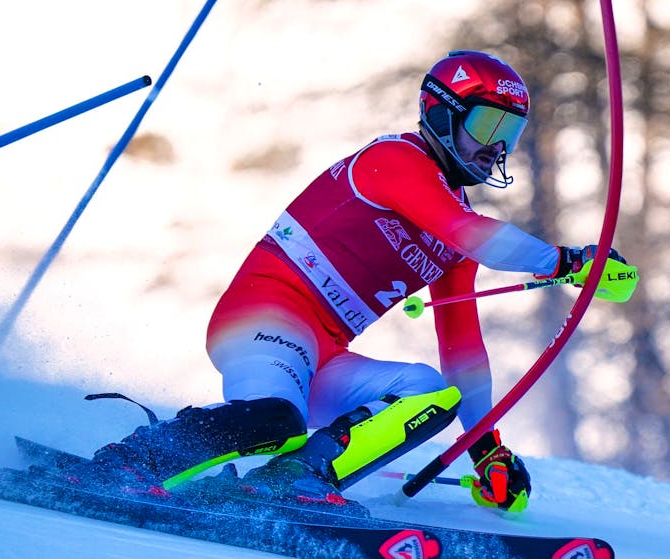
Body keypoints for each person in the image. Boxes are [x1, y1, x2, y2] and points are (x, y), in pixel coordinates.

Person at [72, 50, 633, 513]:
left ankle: (294, 479)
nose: (497, 146)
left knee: (433, 391)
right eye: (487, 124)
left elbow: (463, 351)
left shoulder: (456, 229)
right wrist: (568, 261)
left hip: (324, 350)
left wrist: (484, 450)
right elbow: (471, 232)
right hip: (264, 314)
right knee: (278, 419)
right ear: (441, 113)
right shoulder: (397, 160)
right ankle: (132, 460)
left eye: (509, 130)